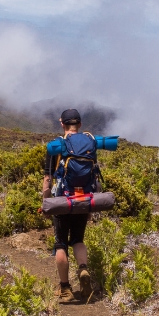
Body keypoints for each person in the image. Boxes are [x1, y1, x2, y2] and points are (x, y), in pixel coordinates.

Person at [42, 108, 108, 302]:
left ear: (62, 123)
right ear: (79, 125)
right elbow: (95, 175)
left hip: (63, 200)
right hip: (83, 199)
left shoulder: (57, 145)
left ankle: (65, 289)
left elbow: (48, 178)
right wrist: (90, 206)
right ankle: (83, 269)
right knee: (78, 239)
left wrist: (46, 202)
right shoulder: (89, 144)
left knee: (61, 243)